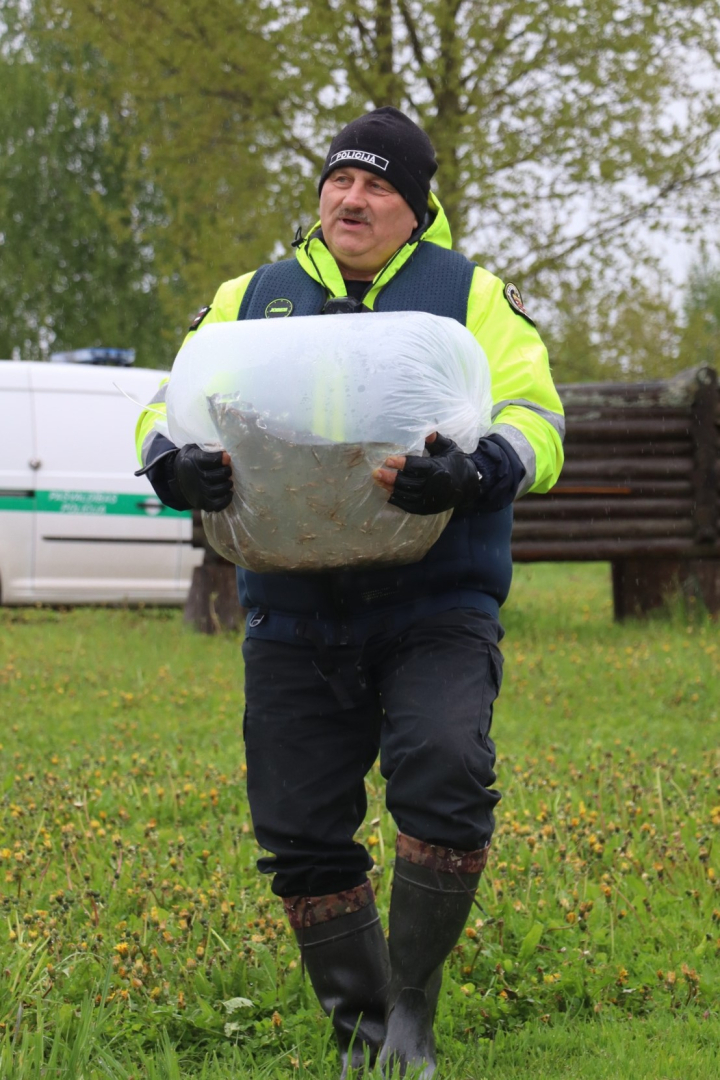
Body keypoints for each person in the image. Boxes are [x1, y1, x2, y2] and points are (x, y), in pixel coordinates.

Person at [135, 107, 564, 1079]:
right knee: (298, 827)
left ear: (416, 209)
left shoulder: (473, 297)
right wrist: (169, 465)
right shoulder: (250, 295)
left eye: (378, 185)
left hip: (436, 599)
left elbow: (539, 415)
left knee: (446, 773)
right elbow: (167, 406)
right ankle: (360, 1032)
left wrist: (478, 469)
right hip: (292, 609)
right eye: (340, 180)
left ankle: (411, 1012)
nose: (352, 198)